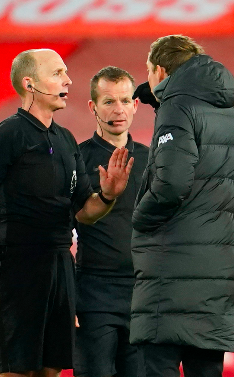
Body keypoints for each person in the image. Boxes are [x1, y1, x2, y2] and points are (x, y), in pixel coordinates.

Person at [0, 49, 133, 377]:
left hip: (59, 266)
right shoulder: (5, 137)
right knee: (16, 371)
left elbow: (84, 212)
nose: (67, 80)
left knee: (50, 370)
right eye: (56, 73)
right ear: (30, 84)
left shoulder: (66, 140)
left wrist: (108, 195)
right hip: (14, 265)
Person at [130, 35, 234, 377]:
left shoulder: (176, 108)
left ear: (160, 70)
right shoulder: (229, 109)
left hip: (173, 269)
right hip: (220, 268)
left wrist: (139, 219)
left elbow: (171, 185)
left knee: (158, 366)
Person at [73, 66, 149, 377]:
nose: (118, 109)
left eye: (124, 100)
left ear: (135, 104)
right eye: (108, 102)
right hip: (94, 294)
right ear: (92, 107)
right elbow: (61, 228)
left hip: (143, 296)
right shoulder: (75, 159)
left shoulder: (153, 159)